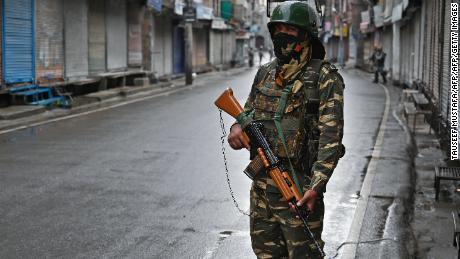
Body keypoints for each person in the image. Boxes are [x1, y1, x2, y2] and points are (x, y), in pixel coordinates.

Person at [227, 1, 345, 258]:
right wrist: (237, 127)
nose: (282, 36)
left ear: (306, 35)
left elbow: (330, 140)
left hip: (300, 193)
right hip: (262, 193)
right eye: (277, 30)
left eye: (290, 31)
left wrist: (316, 187)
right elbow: (247, 113)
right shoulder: (265, 74)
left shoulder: (324, 78)